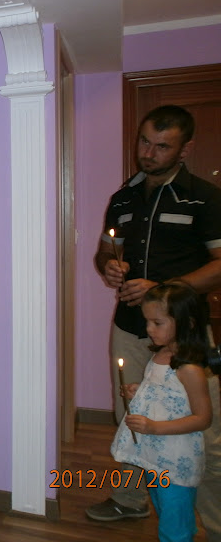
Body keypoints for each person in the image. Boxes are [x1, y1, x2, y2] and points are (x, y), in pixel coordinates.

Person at [88, 104, 221, 540]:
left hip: (185, 335)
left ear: (185, 149)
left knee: (207, 429)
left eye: (162, 146)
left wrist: (164, 289)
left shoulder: (205, 198)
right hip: (130, 326)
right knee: (131, 412)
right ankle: (130, 501)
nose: (148, 153)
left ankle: (215, 523)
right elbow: (105, 250)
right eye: (144, 141)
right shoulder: (123, 198)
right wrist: (108, 266)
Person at [111, 283, 213, 541]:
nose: (149, 329)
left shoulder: (190, 369)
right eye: (147, 321)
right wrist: (138, 391)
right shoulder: (160, 354)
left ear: (187, 323)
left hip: (176, 460)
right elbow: (164, 392)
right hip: (155, 457)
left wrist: (154, 427)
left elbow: (203, 418)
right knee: (164, 510)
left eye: (157, 323)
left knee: (174, 523)